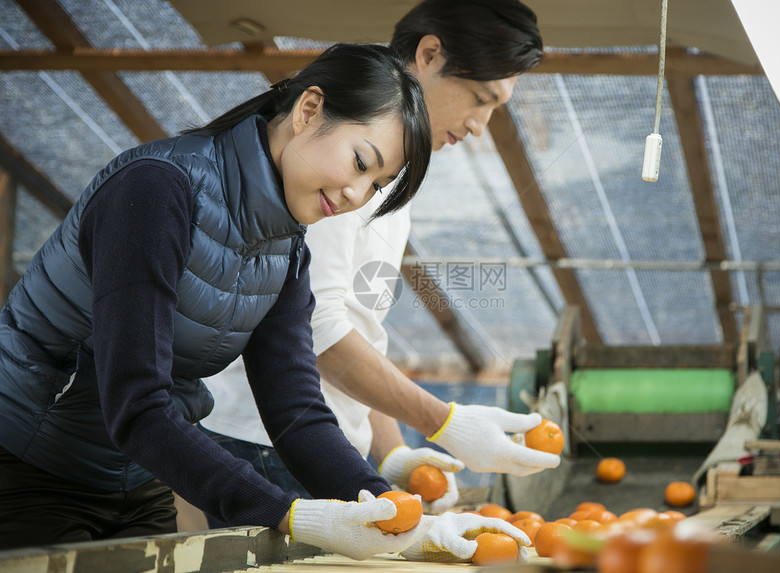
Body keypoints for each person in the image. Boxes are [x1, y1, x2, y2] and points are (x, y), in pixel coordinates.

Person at [0, 43, 532, 561]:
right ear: (308, 110)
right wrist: (290, 513)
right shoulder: (156, 191)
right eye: (360, 161)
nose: (355, 195)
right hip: (27, 468)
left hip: (137, 480)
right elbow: (138, 405)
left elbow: (297, 412)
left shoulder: (287, 250)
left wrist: (403, 516)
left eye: (377, 184)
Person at [200, 0, 559, 521]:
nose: (481, 125)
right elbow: (317, 329)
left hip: (315, 441)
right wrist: (444, 420)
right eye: (481, 99)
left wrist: (389, 452)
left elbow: (354, 328)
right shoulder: (341, 165)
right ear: (431, 54)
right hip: (269, 441)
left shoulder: (391, 174)